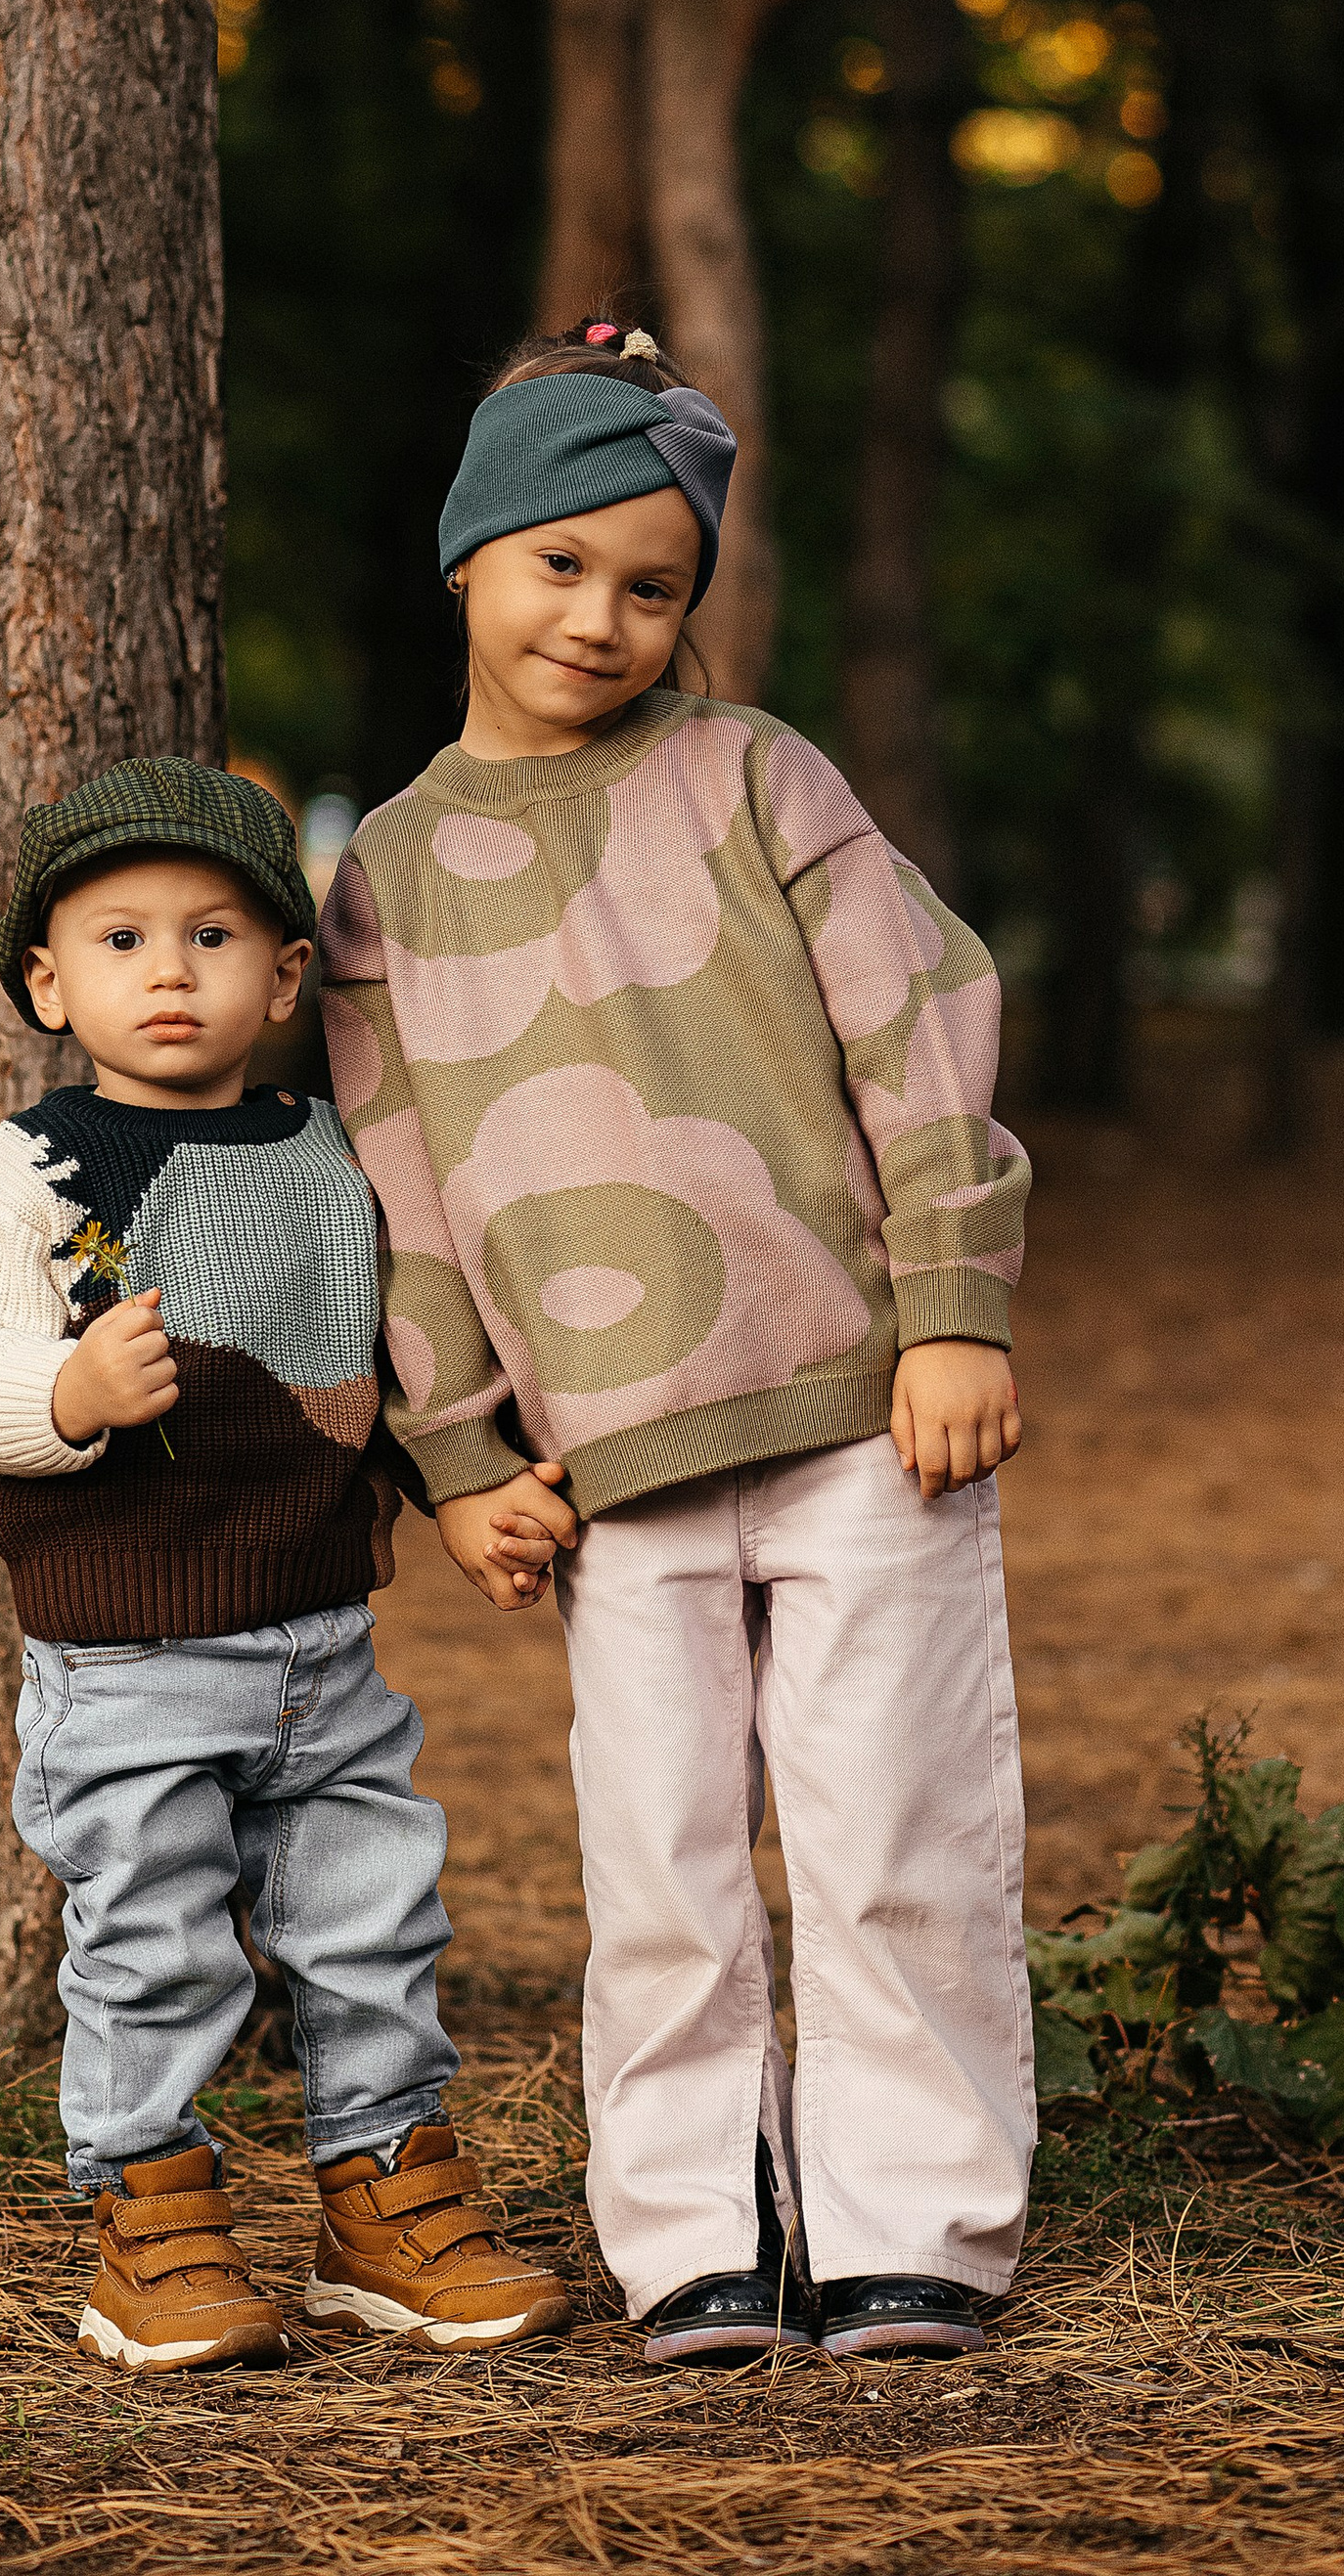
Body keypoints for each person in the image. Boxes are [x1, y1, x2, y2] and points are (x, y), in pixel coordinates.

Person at [318, 327, 1035, 2370]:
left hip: (858, 1413)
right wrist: (454, 1450)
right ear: (464, 558)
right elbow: (400, 1187)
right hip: (602, 1466)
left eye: (652, 583)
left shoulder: (754, 775)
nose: (603, 617)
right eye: (560, 564)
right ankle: (695, 2233)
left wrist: (953, 1303)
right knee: (654, 1853)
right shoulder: (378, 876)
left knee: (891, 1821)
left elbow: (919, 1022)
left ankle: (916, 2222)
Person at [0, 751, 569, 2375]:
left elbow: (392, 1350)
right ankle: (153, 2219)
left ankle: (382, 2196)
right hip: (123, 1661)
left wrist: (459, 1487)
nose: (170, 974)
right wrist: (63, 1395)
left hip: (322, 1647)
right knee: (153, 1942)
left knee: (372, 1917)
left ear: (285, 976)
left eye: (212, 940)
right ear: (50, 983)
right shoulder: (41, 1165)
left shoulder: (336, 1153)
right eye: (121, 942)